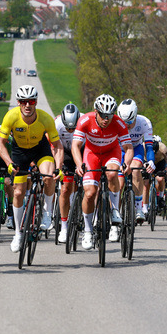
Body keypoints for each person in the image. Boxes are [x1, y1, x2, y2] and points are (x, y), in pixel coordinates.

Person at [0, 85, 64, 253]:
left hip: (40, 150)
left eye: (31, 101)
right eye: (24, 102)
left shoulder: (46, 118)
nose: (28, 105)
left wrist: (59, 168)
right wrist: (9, 163)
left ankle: (47, 213)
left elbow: (57, 145)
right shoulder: (11, 117)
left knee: (48, 176)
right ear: (19, 103)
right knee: (18, 193)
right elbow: (0, 142)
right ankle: (18, 233)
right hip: (19, 153)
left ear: (36, 102)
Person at [71, 94, 133, 249]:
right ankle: (87, 231)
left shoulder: (118, 123)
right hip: (91, 154)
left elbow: (128, 148)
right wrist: (79, 164)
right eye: (103, 115)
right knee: (90, 193)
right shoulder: (85, 120)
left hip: (111, 152)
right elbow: (75, 146)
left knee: (112, 174)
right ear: (95, 111)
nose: (106, 119)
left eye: (110, 115)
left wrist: (126, 163)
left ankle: (114, 211)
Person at [116, 99, 155, 223]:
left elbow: (149, 146)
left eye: (130, 122)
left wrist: (151, 161)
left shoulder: (144, 123)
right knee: (120, 183)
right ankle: (115, 212)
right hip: (120, 149)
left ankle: (138, 208)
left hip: (136, 148)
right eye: (124, 122)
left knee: (136, 169)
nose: (126, 126)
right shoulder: (115, 123)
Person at [54, 103, 81, 244]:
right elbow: (55, 148)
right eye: (68, 128)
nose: (70, 130)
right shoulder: (57, 124)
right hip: (64, 152)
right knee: (65, 188)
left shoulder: (83, 121)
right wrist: (60, 166)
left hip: (82, 151)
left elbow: (89, 146)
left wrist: (82, 165)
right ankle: (64, 227)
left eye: (73, 128)